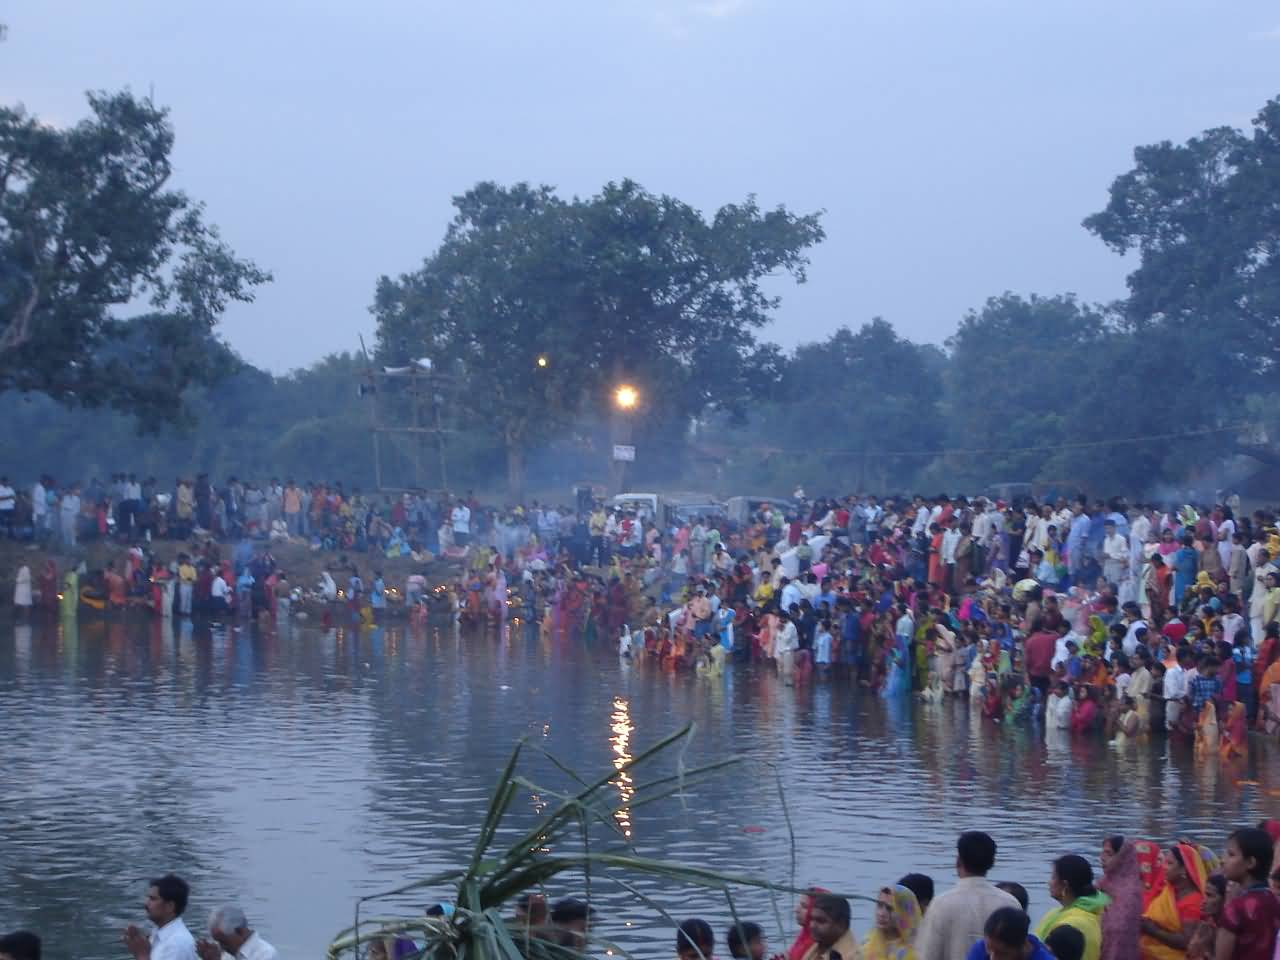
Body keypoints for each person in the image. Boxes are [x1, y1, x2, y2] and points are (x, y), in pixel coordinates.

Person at [916, 831, 1020, 960]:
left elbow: (927, 955)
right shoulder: (1010, 904)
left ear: (958, 861)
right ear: (992, 862)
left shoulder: (941, 904)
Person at [1215, 827, 1280, 960]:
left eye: (1231, 854)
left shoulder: (1235, 908)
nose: (1222, 860)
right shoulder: (1274, 900)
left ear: (1250, 863)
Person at [1139, 842, 1206, 959]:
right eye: (1165, 861)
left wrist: (1153, 931)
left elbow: (1185, 942)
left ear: (1184, 870)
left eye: (1169, 863)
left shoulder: (1193, 902)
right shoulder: (1168, 892)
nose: (1164, 866)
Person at [1034, 855, 1105, 960]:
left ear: (1065, 885)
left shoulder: (1074, 923)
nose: (1049, 882)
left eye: (1053, 877)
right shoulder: (1059, 912)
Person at [123, 874, 197, 960]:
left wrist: (141, 955)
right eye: (148, 898)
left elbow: (144, 957)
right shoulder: (159, 933)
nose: (146, 904)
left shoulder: (178, 944)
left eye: (153, 899)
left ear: (170, 906)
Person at [1097, 836, 1142, 960]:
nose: (1102, 858)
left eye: (1109, 854)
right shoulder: (1102, 884)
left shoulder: (1130, 893)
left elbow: (1118, 931)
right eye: (1102, 853)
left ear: (1122, 859)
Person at [963, 907, 1054, 960]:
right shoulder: (980, 949)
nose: (993, 958)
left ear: (1023, 945)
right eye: (989, 949)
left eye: (1002, 953)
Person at [863, 884, 922, 960]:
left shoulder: (916, 951)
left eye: (889, 908)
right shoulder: (867, 943)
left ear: (904, 912)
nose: (881, 914)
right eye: (880, 906)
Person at [197, 906, 277, 960]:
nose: (221, 947)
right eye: (218, 942)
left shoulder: (267, 954)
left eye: (224, 942)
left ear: (240, 931)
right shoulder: (226, 954)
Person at [802, 894, 862, 960]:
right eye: (812, 919)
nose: (812, 925)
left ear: (841, 924)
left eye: (820, 921)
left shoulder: (851, 956)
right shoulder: (818, 947)